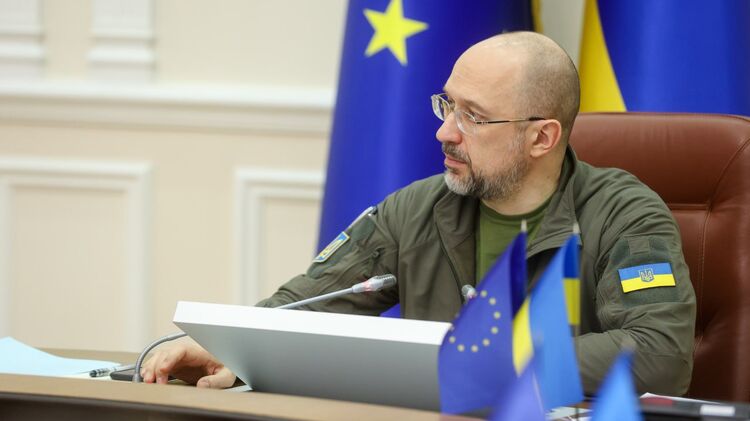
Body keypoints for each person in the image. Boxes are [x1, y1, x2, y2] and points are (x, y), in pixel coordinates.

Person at [141, 31, 696, 396]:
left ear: (541, 138)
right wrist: (232, 344)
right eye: (447, 105)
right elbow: (309, 301)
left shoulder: (626, 215)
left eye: (473, 116)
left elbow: (658, 354)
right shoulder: (420, 207)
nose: (445, 132)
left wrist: (478, 362)